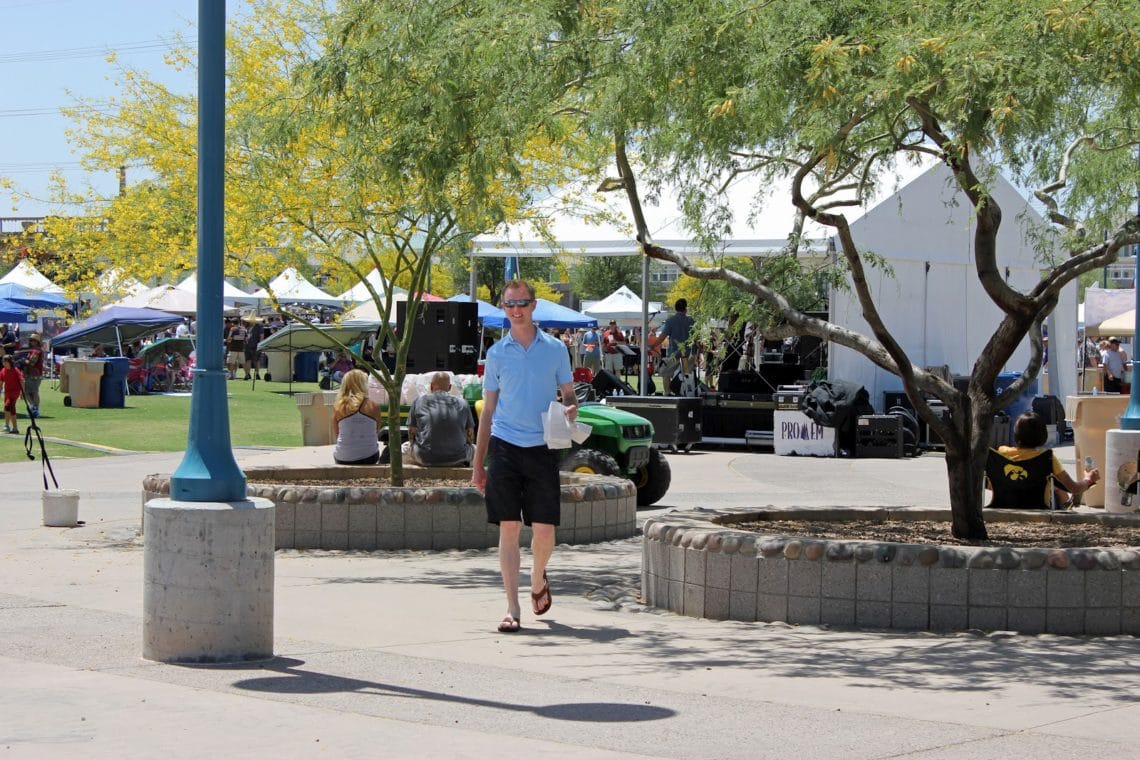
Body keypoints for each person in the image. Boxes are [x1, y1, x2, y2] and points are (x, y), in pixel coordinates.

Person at [472, 279, 577, 634]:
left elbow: (569, 394)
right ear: (504, 308)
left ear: (534, 306)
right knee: (509, 527)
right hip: (504, 446)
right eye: (509, 304)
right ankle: (512, 607)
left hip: (543, 447)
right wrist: (478, 463)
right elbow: (487, 412)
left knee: (545, 531)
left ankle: (537, 580)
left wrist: (570, 410)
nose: (515, 310)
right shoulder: (498, 353)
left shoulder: (556, 348)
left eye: (522, 303)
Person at [990, 411, 1100, 508]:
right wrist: (1089, 479)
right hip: (1038, 508)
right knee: (1056, 485)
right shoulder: (1047, 458)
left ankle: (1067, 500)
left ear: (1016, 434)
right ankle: (1068, 506)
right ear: (1043, 436)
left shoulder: (1001, 453)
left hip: (1003, 504)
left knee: (1054, 486)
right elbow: (1074, 488)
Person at [401, 371, 476, 466]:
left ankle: (411, 473)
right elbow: (470, 434)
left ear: (431, 386)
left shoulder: (419, 401)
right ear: (449, 388)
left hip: (425, 457)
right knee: (476, 449)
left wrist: (415, 444)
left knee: (403, 448)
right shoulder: (463, 403)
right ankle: (470, 476)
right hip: (458, 457)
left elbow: (411, 432)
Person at [331, 369, 382, 465]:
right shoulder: (374, 406)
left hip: (342, 457)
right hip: (370, 457)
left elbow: (337, 434)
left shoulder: (338, 406)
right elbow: (376, 431)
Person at [650, 298, 695, 395]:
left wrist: (653, 346)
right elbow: (695, 339)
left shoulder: (670, 320)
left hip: (674, 354)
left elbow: (662, 336)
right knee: (686, 375)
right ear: (685, 309)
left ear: (675, 308)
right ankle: (686, 393)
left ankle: (667, 393)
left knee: (666, 374)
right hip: (686, 354)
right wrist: (695, 353)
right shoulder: (691, 321)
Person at [19, 333, 45, 418]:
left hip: (34, 374)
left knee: (30, 392)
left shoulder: (36, 351)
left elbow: (32, 363)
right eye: (30, 340)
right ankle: (34, 409)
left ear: (37, 342)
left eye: (33, 340)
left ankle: (34, 409)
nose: (31, 342)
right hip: (32, 374)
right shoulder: (34, 350)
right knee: (30, 393)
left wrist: (22, 360)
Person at [0, 354, 23, 435]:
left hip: (15, 392)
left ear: (10, 362)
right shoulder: (3, 370)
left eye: (6, 362)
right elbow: (1, 381)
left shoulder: (15, 370)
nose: (4, 363)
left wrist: (22, 393)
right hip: (7, 392)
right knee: (12, 409)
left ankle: (6, 425)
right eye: (3, 362)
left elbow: (21, 381)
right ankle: (15, 428)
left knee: (7, 406)